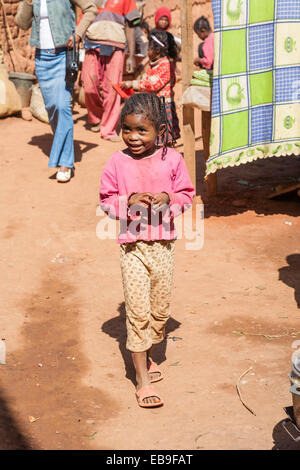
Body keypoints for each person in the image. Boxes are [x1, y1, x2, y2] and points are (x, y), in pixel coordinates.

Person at [100, 93, 195, 407]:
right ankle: (141, 380)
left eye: (142, 130)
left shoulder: (172, 159)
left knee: (159, 312)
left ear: (159, 129)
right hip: (133, 249)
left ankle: (150, 357)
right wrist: (127, 201)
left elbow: (186, 194)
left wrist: (168, 197)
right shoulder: (117, 161)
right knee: (138, 314)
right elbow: (106, 200)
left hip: (163, 247)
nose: (133, 137)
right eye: (127, 129)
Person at [15, 0, 97, 183]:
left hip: (63, 55)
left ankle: (66, 163)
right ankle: (63, 148)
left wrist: (78, 34)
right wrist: (28, 3)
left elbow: (91, 9)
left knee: (62, 106)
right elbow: (21, 23)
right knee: (52, 107)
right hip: (42, 59)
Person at [80, 0, 140, 141]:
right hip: (92, 44)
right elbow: (81, 20)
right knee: (88, 84)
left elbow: (131, 26)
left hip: (116, 47)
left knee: (113, 87)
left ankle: (108, 129)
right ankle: (96, 118)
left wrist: (131, 55)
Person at [121, 30, 180, 143]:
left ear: (157, 51)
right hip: (154, 106)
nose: (147, 52)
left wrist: (133, 84)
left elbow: (152, 85)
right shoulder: (155, 64)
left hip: (163, 106)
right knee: (155, 138)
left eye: (149, 48)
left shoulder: (166, 66)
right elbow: (147, 80)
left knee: (165, 139)